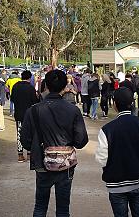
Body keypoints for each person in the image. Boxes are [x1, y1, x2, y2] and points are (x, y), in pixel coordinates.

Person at [20, 69, 88, 217]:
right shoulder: (73, 110)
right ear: (65, 87)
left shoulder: (33, 111)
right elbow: (81, 141)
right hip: (66, 164)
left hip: (41, 161)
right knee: (63, 209)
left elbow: (25, 141)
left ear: (46, 86)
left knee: (40, 206)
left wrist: (38, 145)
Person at [95, 87, 139, 217]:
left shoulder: (106, 129)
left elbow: (102, 159)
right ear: (132, 103)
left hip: (115, 184)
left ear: (114, 104)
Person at [11, 70, 39, 162]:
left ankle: (20, 155)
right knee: (29, 134)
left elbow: (12, 99)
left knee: (19, 134)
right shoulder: (31, 88)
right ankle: (29, 154)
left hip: (18, 114)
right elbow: (35, 101)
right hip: (29, 115)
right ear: (29, 78)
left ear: (21, 77)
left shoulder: (15, 86)